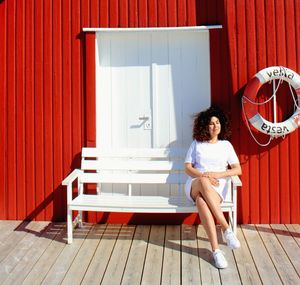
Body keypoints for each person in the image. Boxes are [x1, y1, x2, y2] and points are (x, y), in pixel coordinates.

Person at [184, 106, 242, 269]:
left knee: (202, 203)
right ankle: (226, 228)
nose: (215, 126)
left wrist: (216, 175)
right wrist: (204, 176)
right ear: (205, 126)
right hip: (195, 184)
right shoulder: (197, 144)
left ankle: (216, 251)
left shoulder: (226, 145)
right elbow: (187, 168)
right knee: (203, 182)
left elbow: (238, 169)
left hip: (217, 187)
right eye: (211, 123)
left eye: (217, 122)